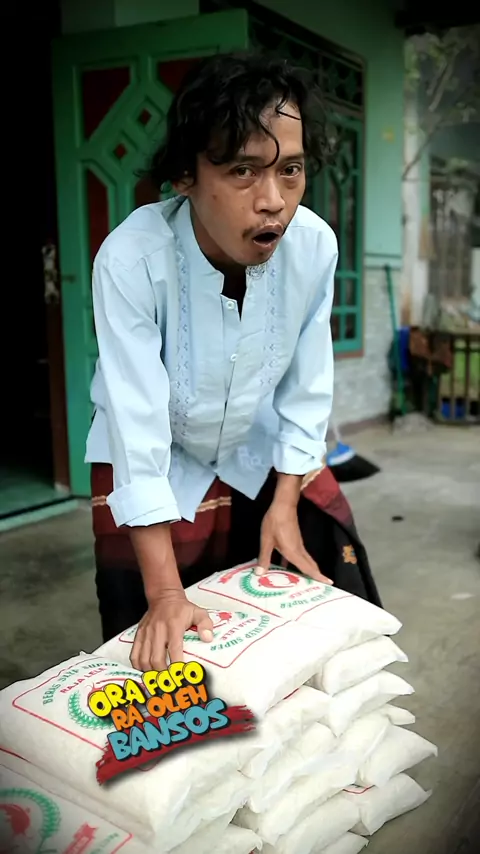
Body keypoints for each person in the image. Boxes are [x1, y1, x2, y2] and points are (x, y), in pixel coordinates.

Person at [86, 52, 381, 672]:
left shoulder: (314, 246)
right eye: (243, 170)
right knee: (162, 654)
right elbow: (134, 423)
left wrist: (285, 503)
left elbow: (307, 382)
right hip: (156, 457)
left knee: (327, 602)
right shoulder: (131, 259)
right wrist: (166, 595)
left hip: (258, 446)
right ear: (185, 175)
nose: (274, 201)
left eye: (290, 170)